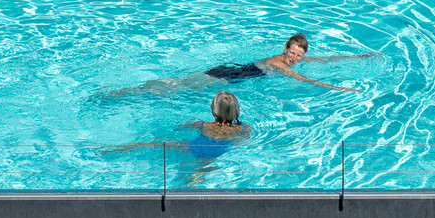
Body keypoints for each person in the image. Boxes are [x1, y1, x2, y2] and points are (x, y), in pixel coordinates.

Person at [102, 33, 375, 98]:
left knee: (179, 85)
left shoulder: (293, 59)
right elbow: (305, 81)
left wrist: (355, 58)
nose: (295, 58)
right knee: (177, 88)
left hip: (232, 71)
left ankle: (131, 90)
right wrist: (340, 89)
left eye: (299, 56)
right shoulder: (280, 65)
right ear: (285, 49)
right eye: (292, 53)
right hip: (227, 77)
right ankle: (130, 91)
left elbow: (322, 60)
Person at [108, 90, 253, 163]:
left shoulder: (202, 124)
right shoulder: (243, 128)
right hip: (215, 153)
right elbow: (243, 143)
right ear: (236, 109)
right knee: (200, 171)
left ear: (213, 108)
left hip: (192, 147)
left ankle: (119, 149)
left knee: (154, 143)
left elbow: (181, 127)